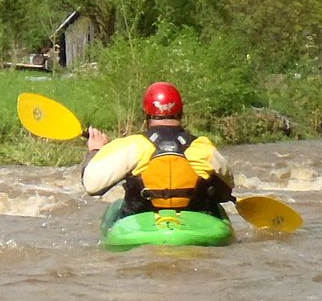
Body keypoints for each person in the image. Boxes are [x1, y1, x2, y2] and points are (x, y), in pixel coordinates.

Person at [81, 81, 234, 231]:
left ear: (146, 115)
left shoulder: (133, 145)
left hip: (142, 224)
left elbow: (92, 186)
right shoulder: (203, 147)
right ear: (181, 113)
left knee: (115, 207)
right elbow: (227, 191)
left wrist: (95, 151)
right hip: (196, 223)